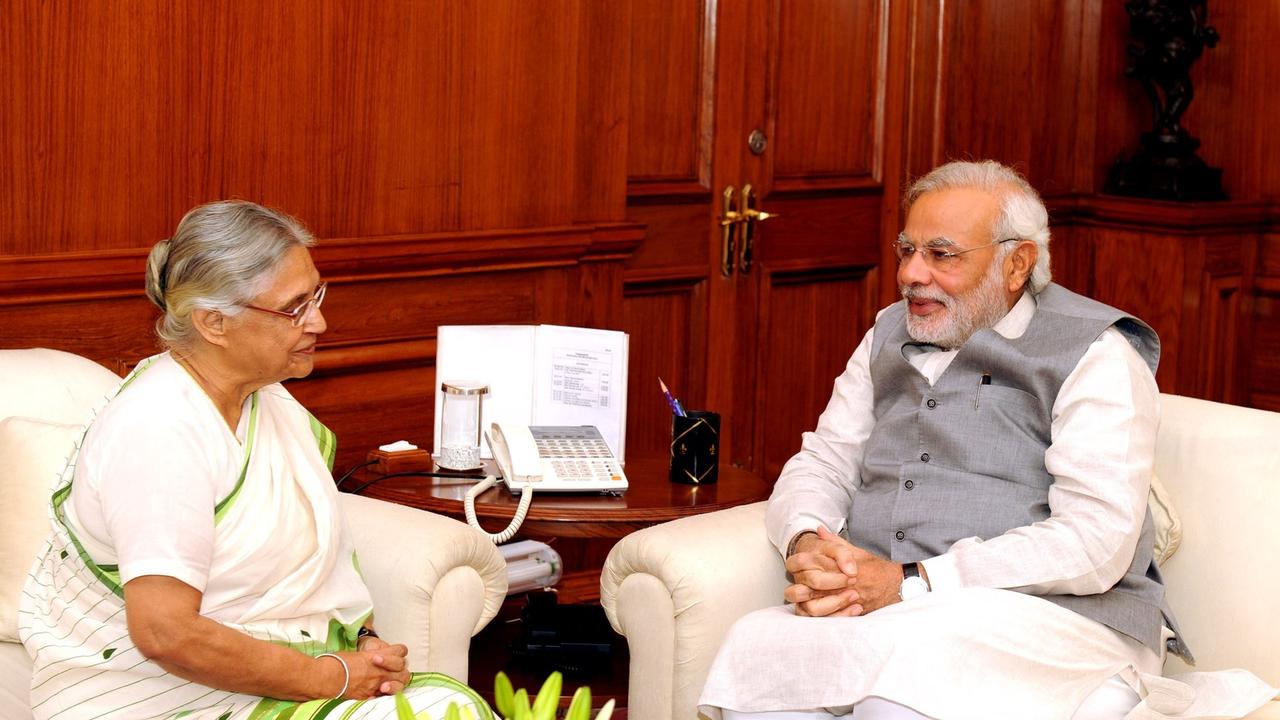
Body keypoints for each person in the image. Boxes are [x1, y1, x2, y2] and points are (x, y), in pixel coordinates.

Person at [698, 160, 1193, 720]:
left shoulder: (1096, 354)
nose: (912, 273)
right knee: (760, 655)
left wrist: (912, 582)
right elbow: (823, 463)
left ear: (1017, 264)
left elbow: (1093, 541)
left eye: (941, 255)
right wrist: (809, 543)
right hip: (898, 613)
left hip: (1056, 617)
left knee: (900, 695)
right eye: (907, 250)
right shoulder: (886, 331)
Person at [19, 201, 491, 719]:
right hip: (152, 697)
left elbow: (313, 572)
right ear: (215, 323)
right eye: (294, 308)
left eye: (317, 295)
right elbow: (164, 633)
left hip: (264, 680)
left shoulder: (270, 402)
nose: (319, 321)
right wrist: (332, 676)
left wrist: (365, 644)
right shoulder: (158, 428)